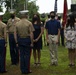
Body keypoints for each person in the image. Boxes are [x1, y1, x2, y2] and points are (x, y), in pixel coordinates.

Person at [14, 10, 34, 74]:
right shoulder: (29, 23)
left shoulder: (17, 24)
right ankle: (27, 69)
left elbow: (15, 34)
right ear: (26, 15)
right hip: (27, 40)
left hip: (20, 40)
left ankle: (22, 69)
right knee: (27, 55)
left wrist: (16, 42)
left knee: (21, 55)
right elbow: (31, 33)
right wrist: (32, 42)